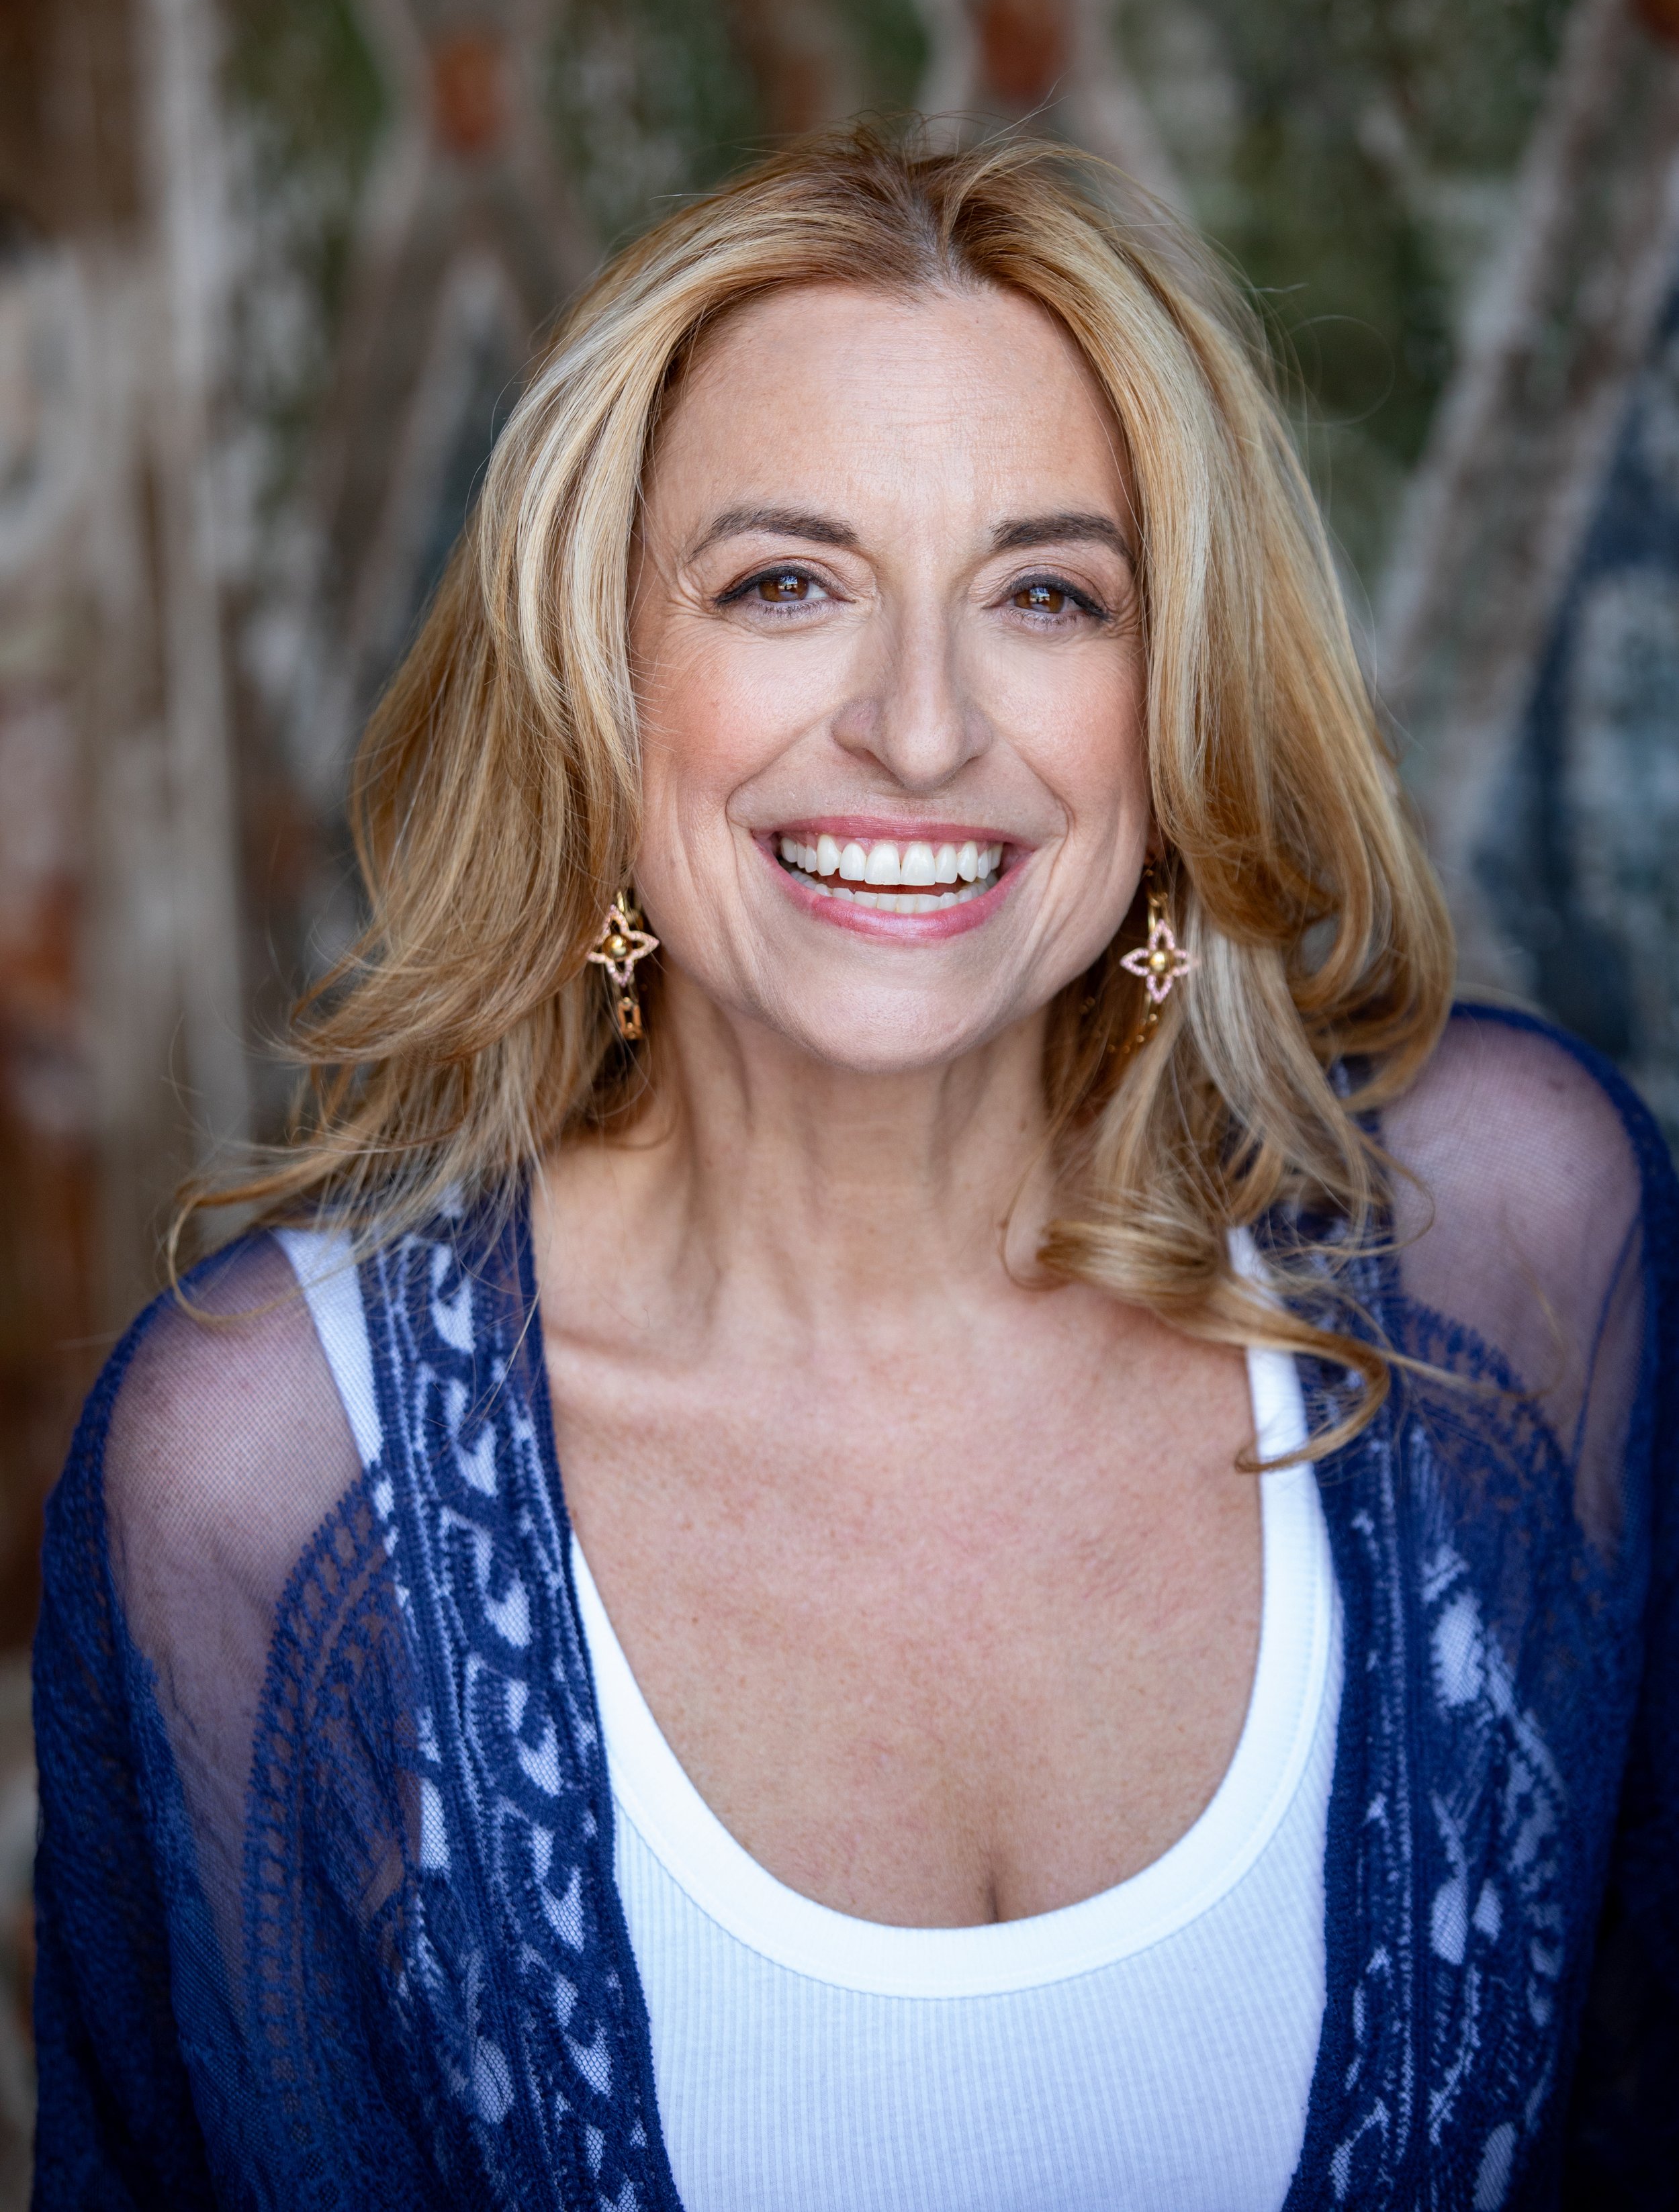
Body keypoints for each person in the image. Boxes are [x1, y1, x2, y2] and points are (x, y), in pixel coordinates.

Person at [30, 128, 1678, 2211]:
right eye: (783, 585)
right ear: (596, 679)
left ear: (1167, 706)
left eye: (1046, 595)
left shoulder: (1503, 1241)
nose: (918, 729)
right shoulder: (267, 1470)